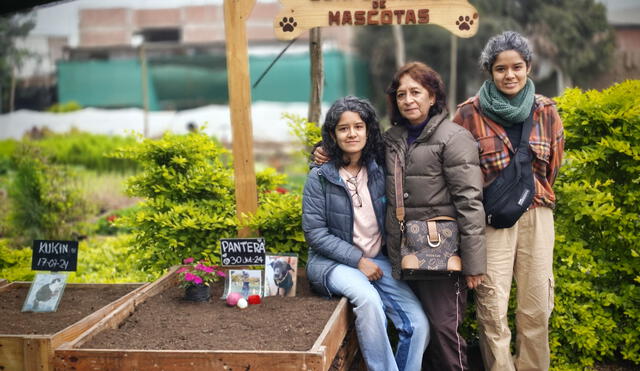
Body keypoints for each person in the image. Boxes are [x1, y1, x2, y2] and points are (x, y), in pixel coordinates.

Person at [313, 63, 486, 370]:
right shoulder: (393, 140)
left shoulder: (453, 138)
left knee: (440, 329)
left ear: (433, 96)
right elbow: (350, 148)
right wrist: (322, 151)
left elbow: (470, 203)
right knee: (410, 321)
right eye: (401, 93)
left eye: (416, 92)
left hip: (439, 251)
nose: (408, 100)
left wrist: (473, 264)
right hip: (401, 254)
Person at [452, 31, 565, 371]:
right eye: (501, 69)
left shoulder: (546, 111)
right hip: (493, 221)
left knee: (536, 305)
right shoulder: (468, 114)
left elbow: (552, 168)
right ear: (489, 71)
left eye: (517, 67)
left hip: (538, 215)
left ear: (529, 67)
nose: (510, 75)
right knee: (492, 306)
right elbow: (455, 167)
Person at [302, 96, 429, 371]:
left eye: (358, 126)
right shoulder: (320, 177)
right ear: (332, 135)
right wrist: (358, 261)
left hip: (378, 261)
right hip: (332, 263)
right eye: (343, 128)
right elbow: (315, 233)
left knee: (418, 324)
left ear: (368, 130)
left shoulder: (380, 169)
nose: (352, 133)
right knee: (369, 302)